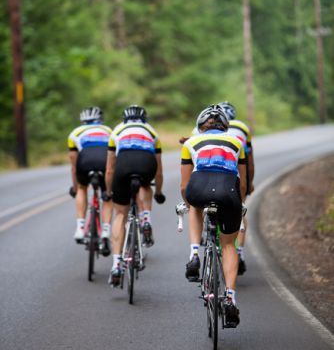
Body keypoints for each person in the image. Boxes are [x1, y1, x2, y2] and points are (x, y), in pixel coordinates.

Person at [180, 104, 247, 326]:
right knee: (228, 245)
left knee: (194, 207)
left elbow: (184, 184)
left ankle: (195, 255)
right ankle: (230, 299)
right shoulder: (238, 143)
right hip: (228, 193)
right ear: (225, 127)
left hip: (198, 189)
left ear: (200, 127)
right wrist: (240, 204)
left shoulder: (190, 143)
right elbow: (243, 182)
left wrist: (188, 202)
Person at [104, 105, 165, 286]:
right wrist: (159, 192)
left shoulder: (116, 131)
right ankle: (146, 218)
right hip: (146, 164)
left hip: (123, 166)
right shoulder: (152, 132)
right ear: (144, 119)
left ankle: (116, 264)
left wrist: (108, 191)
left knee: (120, 215)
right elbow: (159, 171)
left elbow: (109, 169)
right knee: (146, 184)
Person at [67, 106, 113, 256]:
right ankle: (106, 230)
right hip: (103, 162)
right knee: (107, 195)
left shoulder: (75, 133)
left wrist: (75, 187)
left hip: (85, 163)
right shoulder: (109, 131)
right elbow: (114, 159)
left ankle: (80, 227)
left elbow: (74, 166)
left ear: (82, 121)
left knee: (82, 188)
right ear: (100, 120)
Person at [218, 101, 254, 275]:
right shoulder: (242, 128)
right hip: (237, 174)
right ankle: (239, 252)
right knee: (239, 210)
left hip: (208, 175)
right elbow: (249, 160)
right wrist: (249, 183)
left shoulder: (204, 129)